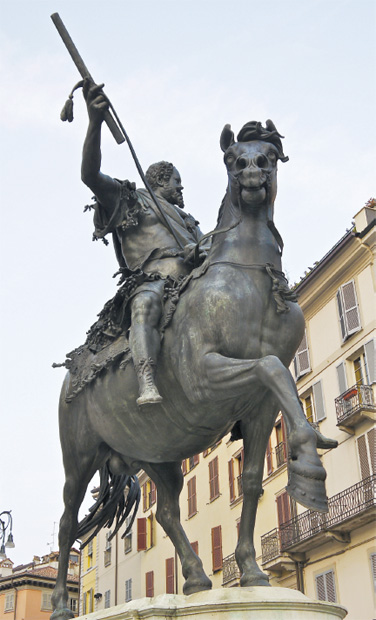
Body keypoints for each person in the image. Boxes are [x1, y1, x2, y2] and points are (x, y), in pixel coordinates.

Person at [81, 79, 207, 408]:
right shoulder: (132, 199)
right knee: (144, 304)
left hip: (191, 280)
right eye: (178, 182)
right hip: (152, 278)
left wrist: (203, 250)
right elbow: (90, 176)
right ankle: (147, 377)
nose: (182, 188)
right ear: (161, 180)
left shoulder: (189, 221)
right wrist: (95, 124)